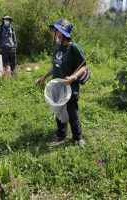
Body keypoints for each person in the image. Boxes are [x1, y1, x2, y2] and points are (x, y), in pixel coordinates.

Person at [36, 19, 87, 147]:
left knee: (72, 113)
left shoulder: (74, 48)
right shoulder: (57, 47)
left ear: (62, 34)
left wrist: (73, 78)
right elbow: (56, 66)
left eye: (55, 30)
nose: (53, 33)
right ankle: (61, 135)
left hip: (71, 87)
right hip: (57, 86)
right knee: (59, 111)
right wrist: (43, 77)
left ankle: (78, 137)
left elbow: (84, 67)